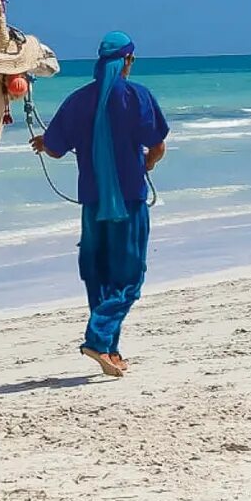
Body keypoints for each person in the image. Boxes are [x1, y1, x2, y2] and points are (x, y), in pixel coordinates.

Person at [32, 31, 169, 378]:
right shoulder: (138, 96)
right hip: (130, 202)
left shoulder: (77, 101)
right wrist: (146, 164)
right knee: (130, 278)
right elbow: (157, 145)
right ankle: (97, 339)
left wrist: (42, 143)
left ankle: (110, 350)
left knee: (99, 275)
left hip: (93, 204)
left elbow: (56, 147)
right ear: (127, 61)